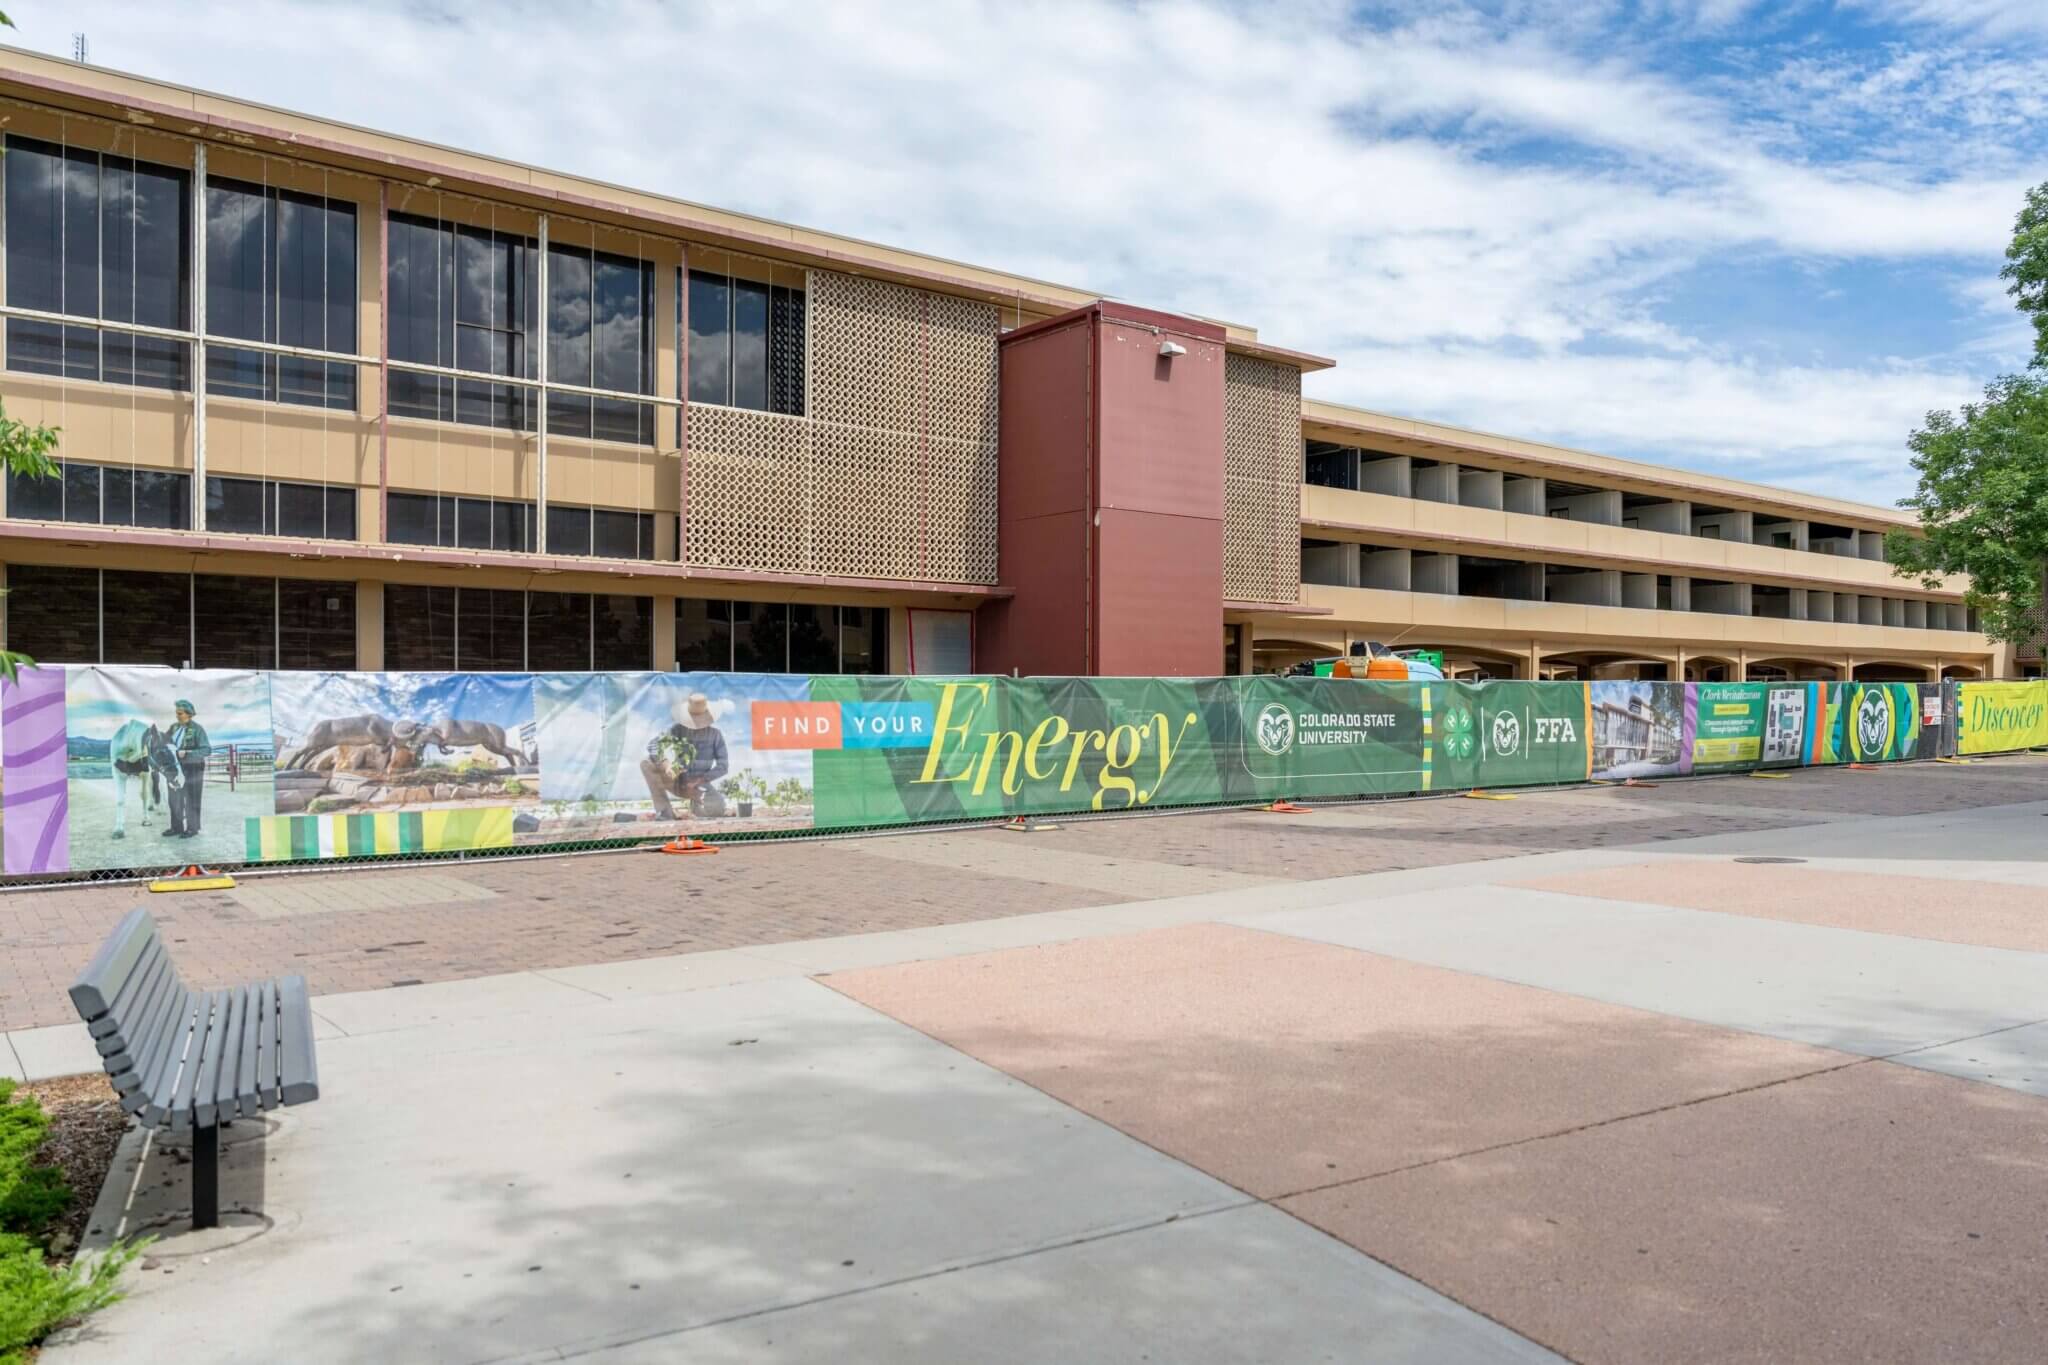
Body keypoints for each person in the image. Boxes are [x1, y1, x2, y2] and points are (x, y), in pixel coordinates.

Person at [639, 692, 730, 820]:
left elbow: (723, 766)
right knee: (646, 763)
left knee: (718, 808)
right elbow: (653, 745)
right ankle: (665, 811)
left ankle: (695, 806)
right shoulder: (678, 729)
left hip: (699, 785)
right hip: (676, 780)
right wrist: (666, 765)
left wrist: (699, 780)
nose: (697, 726)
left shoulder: (715, 735)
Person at [163, 699, 211, 839]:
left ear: (189, 714)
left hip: (193, 768)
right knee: (174, 798)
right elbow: (165, 743)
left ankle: (192, 828)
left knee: (192, 798)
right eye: (176, 713)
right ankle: (176, 827)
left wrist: (188, 753)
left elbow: (206, 750)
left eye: (180, 713)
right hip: (175, 768)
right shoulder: (173, 728)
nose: (177, 716)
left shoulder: (198, 729)